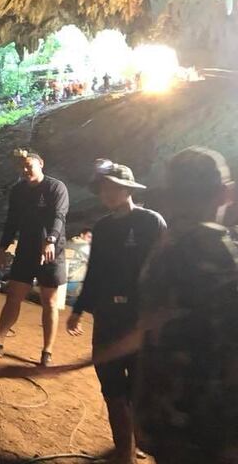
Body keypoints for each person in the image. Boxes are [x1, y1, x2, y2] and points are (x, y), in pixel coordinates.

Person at [133, 147, 238, 463]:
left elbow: (149, 330)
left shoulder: (161, 254)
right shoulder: (224, 256)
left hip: (163, 413)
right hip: (214, 423)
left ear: (171, 195)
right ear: (224, 194)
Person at [66, 160, 166, 464]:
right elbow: (95, 272)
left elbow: (164, 268)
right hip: (108, 316)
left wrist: (158, 313)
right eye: (104, 189)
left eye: (115, 188)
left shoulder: (151, 222)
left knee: (139, 385)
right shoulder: (104, 227)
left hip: (140, 318)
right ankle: (123, 450)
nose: (108, 193)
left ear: (128, 190)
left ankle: (138, 444)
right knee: (110, 385)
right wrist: (79, 310)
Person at [0, 151, 69, 366]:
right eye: (22, 167)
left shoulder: (56, 187)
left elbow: (59, 215)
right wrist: (2, 247)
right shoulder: (18, 191)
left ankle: (47, 352)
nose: (26, 170)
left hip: (52, 252)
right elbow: (12, 220)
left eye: (29, 165)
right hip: (26, 250)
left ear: (41, 164)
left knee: (50, 302)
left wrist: (51, 239)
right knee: (14, 296)